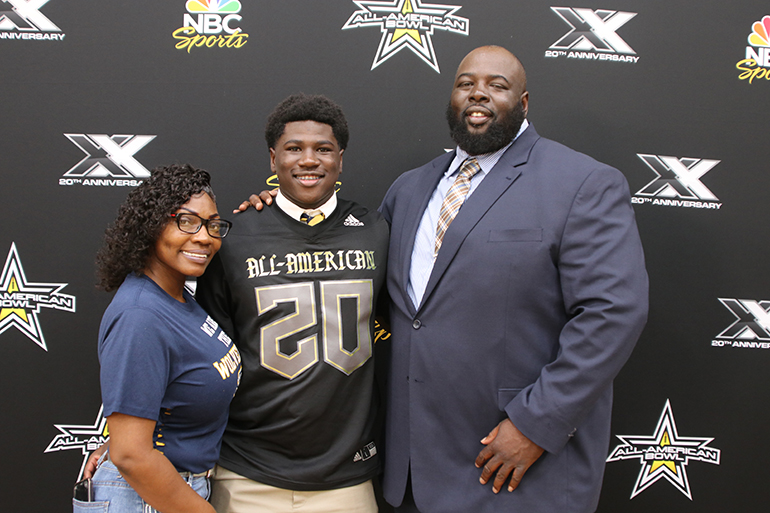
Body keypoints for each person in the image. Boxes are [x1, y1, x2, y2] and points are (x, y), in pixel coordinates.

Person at [243, 46, 647, 513]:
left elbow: (613, 313)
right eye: (465, 83)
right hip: (415, 469)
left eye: (497, 85)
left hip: (514, 462)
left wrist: (536, 424)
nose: (479, 93)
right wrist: (279, 215)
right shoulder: (410, 188)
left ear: (524, 102)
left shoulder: (582, 182)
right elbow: (355, 274)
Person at [195, 94, 390, 513]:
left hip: (345, 478)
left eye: (322, 149)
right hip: (247, 471)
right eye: (293, 149)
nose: (308, 160)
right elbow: (202, 354)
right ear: (272, 159)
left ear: (341, 159)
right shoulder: (233, 237)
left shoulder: (377, 231)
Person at [77, 164, 241, 513]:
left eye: (213, 225)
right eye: (186, 221)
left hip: (169, 488)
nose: (204, 237)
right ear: (151, 226)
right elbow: (131, 454)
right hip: (145, 497)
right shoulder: (142, 316)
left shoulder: (177, 298)